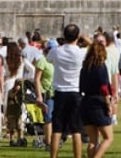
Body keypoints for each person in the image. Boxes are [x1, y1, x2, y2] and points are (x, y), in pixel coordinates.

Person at [48, 24, 86, 158]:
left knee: (57, 128)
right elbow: (94, 47)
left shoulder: (56, 51)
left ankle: (53, 156)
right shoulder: (81, 52)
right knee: (76, 130)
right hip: (75, 91)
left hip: (60, 91)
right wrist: (85, 39)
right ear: (77, 36)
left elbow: (49, 59)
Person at [79, 40, 115, 158]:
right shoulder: (101, 67)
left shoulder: (85, 67)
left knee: (93, 140)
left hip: (86, 102)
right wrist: (108, 104)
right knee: (108, 138)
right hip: (98, 103)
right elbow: (104, 87)